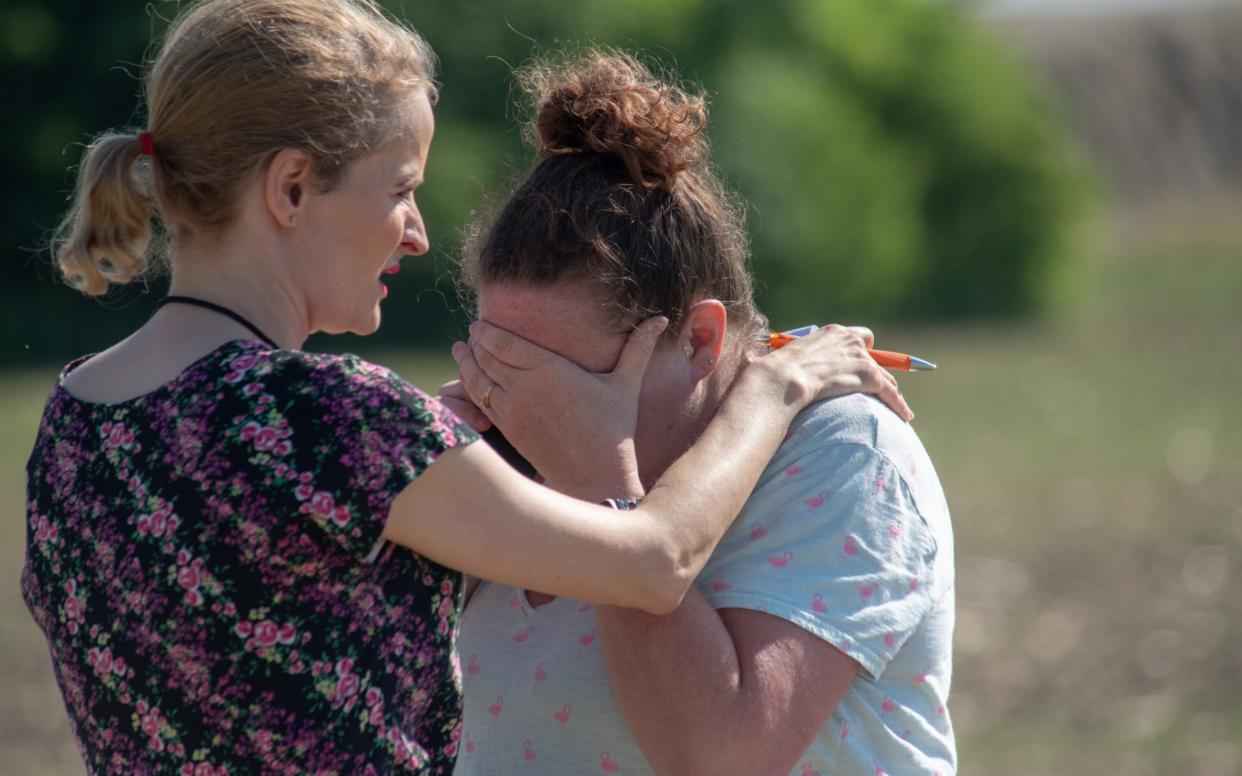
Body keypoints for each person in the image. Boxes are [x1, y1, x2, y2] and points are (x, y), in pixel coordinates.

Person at [19, 2, 910, 774]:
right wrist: (779, 385)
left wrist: (433, 452)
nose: (414, 233)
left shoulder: (71, 420)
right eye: (400, 187)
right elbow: (655, 561)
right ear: (291, 187)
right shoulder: (342, 420)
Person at [444, 52, 955, 775]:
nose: (518, 407)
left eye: (561, 378)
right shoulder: (491, 451)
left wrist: (597, 480)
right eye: (498, 365)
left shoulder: (845, 450)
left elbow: (718, 757)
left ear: (700, 339)